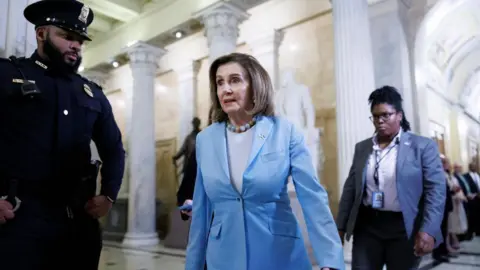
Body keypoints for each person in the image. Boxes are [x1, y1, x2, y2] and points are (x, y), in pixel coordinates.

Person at [184, 53, 344, 270]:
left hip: (279, 255)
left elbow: (313, 199)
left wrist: (330, 260)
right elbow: (201, 212)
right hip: (223, 258)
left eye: (235, 80)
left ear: (255, 86)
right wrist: (192, 266)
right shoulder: (205, 139)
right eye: (220, 82)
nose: (226, 89)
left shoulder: (284, 132)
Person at [0, 1, 125, 269]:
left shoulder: (92, 93)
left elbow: (113, 148)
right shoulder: (8, 75)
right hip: (19, 218)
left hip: (76, 222)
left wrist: (109, 194)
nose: (76, 45)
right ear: (41, 33)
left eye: (80, 39)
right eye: (67, 36)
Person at [336, 86, 446, 270]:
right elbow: (350, 190)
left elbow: (436, 191)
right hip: (368, 226)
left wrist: (428, 229)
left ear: (399, 115)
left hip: (404, 227)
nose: (380, 121)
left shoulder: (422, 147)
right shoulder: (362, 148)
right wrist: (340, 225)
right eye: (376, 116)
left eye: (386, 115)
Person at [173, 117, 201, 220]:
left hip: (200, 167)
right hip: (189, 168)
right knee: (186, 189)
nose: (195, 124)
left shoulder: (203, 136)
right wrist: (175, 157)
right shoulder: (189, 138)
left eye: (196, 123)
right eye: (194, 123)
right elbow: (183, 149)